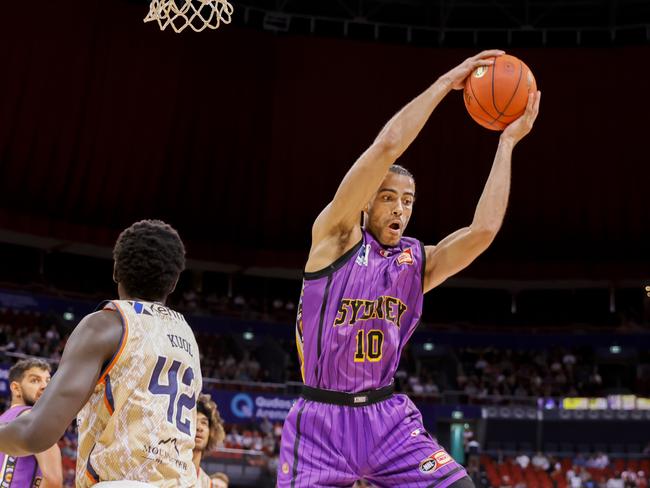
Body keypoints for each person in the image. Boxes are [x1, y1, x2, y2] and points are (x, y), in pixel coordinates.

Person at [277, 50, 540, 488]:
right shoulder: (334, 236)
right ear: (365, 200)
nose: (400, 208)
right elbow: (387, 146)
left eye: (408, 200)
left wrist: (506, 144)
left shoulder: (416, 262)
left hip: (387, 419)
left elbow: (484, 229)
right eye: (388, 197)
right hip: (322, 418)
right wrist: (445, 83)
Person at [0, 220, 202, 487]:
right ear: (174, 282)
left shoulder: (106, 324)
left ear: (116, 270)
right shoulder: (187, 337)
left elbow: (34, 434)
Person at [0, 359, 62, 487]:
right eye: (35, 380)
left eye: (48, 380)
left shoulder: (3, 420)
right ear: (16, 388)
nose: (45, 386)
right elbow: (53, 480)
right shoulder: (36, 418)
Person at [192, 393, 226, 487]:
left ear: (211, 432)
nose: (199, 428)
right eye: (194, 421)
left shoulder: (207, 484)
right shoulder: (165, 468)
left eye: (204, 423)